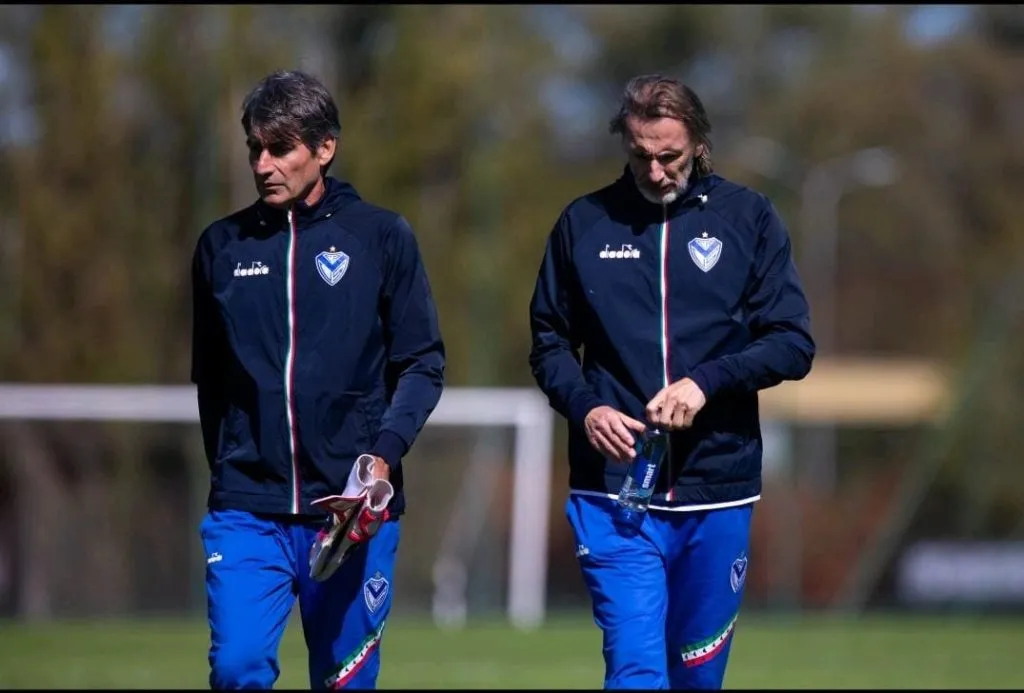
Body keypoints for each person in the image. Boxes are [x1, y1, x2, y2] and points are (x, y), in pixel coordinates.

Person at [528, 74, 815, 690]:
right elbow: (548, 342)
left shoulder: (750, 219)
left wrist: (706, 383)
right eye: (640, 156)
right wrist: (585, 408)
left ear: (700, 145)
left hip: (718, 488)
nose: (655, 172)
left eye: (670, 157)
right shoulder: (584, 224)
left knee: (697, 679)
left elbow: (793, 343)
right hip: (613, 492)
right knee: (635, 670)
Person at [190, 69, 445, 690]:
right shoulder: (220, 248)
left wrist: (381, 459)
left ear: (324, 148)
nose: (263, 164)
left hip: (348, 511)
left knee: (344, 680)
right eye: (255, 148)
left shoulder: (381, 237)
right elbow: (211, 382)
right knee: (236, 667)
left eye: (280, 148)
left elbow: (422, 363)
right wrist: (231, 469)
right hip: (249, 509)